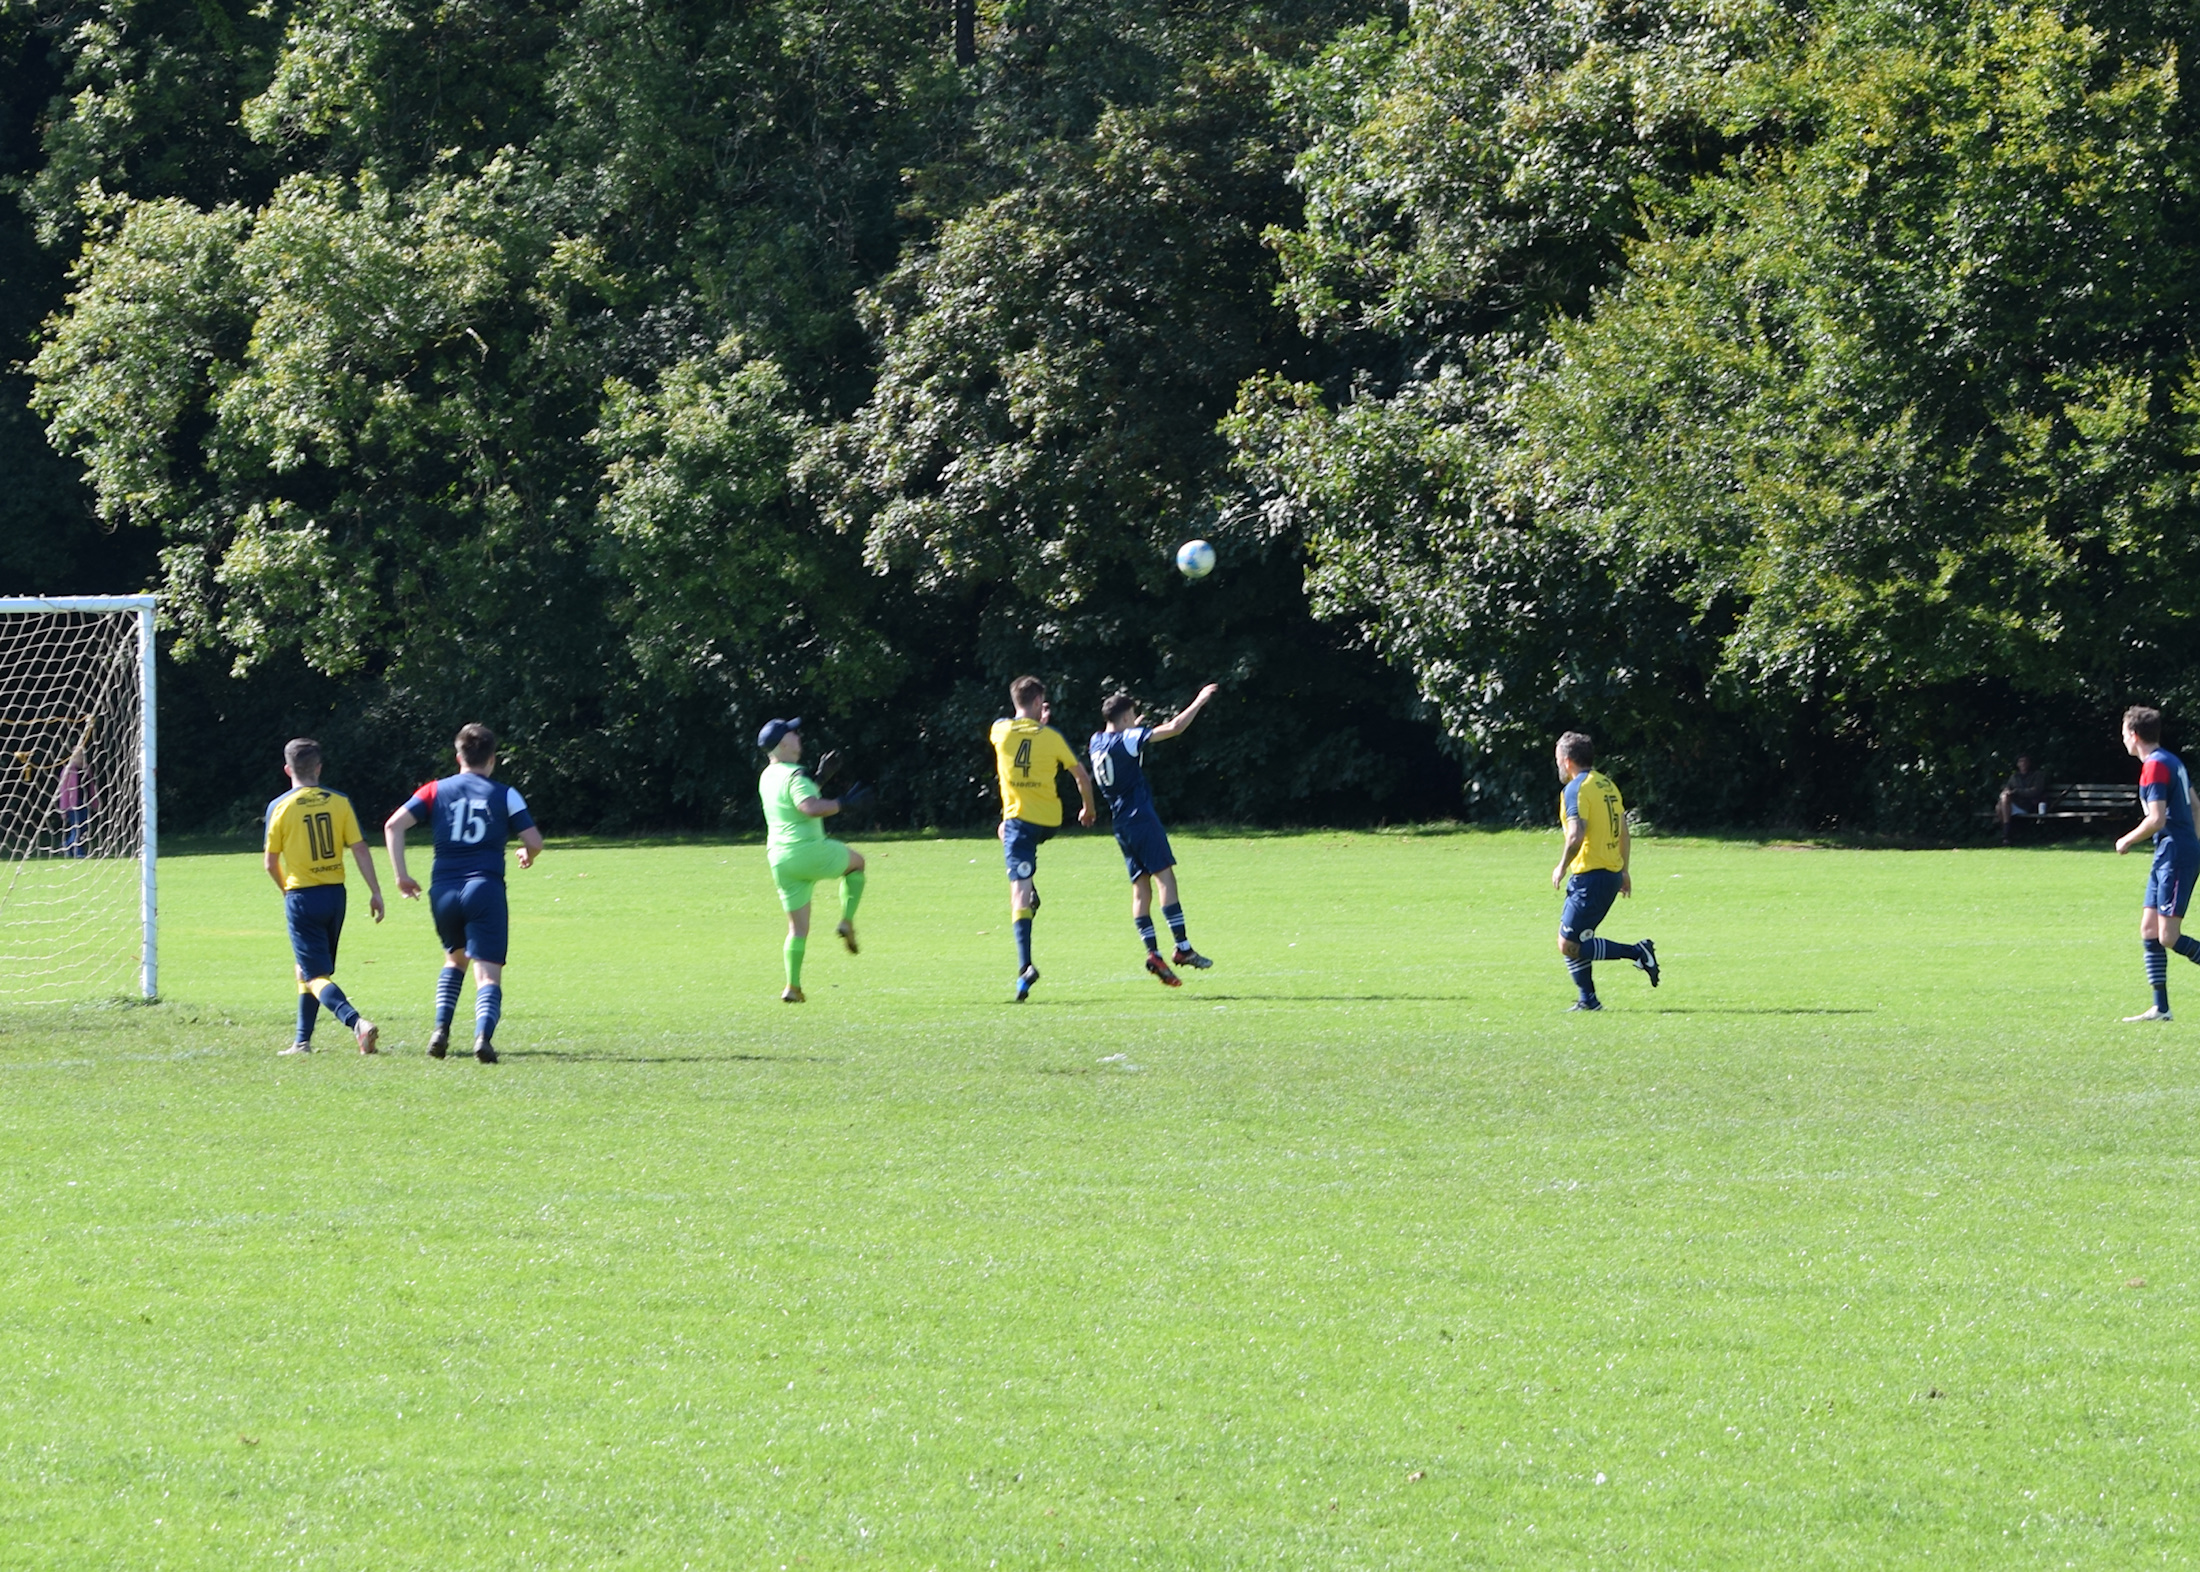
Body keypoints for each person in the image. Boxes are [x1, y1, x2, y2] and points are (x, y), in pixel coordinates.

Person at [384, 723, 544, 1062]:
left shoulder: (434, 790)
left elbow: (393, 825)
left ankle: (440, 1030)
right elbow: (534, 841)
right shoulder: (505, 794)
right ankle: (482, 1038)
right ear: (493, 759)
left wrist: (401, 876)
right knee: (487, 973)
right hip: (484, 888)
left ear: (459, 756)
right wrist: (525, 854)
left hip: (443, 889)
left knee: (454, 960)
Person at [1089, 683, 1220, 985]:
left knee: (1140, 890)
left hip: (1121, 823)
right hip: (1141, 818)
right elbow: (1174, 727)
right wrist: (1199, 700)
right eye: (1133, 716)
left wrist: (1131, 726)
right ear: (1124, 718)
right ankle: (1183, 949)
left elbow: (1120, 737)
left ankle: (1153, 953)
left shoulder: (1096, 741)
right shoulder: (1130, 738)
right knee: (1166, 880)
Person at [264, 738, 384, 1055]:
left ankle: (357, 1023)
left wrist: (286, 890)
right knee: (310, 969)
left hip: (302, 896)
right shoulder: (339, 801)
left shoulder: (279, 807)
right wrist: (375, 890)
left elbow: (270, 862)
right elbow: (359, 847)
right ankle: (302, 1041)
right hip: (335, 897)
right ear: (319, 767)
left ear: (288, 769)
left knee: (314, 974)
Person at [990, 676, 1096, 1002]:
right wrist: (1088, 811)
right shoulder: (1052, 738)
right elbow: (1081, 775)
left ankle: (1025, 967)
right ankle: (1029, 881)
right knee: (1003, 830)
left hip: (1022, 823)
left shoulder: (1000, 731)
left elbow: (1013, 727)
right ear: (1039, 703)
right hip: (1050, 821)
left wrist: (1032, 722)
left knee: (1017, 896)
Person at [756, 717, 868, 1003]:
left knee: (797, 929)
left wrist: (819, 778)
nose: (797, 735)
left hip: (780, 859)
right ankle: (846, 921)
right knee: (857, 864)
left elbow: (792, 799)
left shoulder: (768, 775)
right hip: (808, 850)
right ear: (783, 743)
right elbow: (807, 807)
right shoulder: (795, 775)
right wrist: (844, 803)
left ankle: (792, 987)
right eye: (792, 733)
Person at [1550, 731, 1659, 1010]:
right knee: (1575, 938)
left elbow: (1576, 834)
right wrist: (1624, 870)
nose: (1558, 766)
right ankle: (1589, 1001)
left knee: (1568, 944)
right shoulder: (1607, 785)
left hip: (1592, 876)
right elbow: (1624, 832)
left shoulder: (1575, 789)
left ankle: (1637, 951)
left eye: (1558, 760)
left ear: (1567, 760)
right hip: (1606, 874)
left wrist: (1561, 866)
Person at [2113, 706, 2200, 1021]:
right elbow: (2196, 806)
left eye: (2123, 733)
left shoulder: (2153, 767)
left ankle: (2162, 1007)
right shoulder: (2172, 761)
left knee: (2168, 936)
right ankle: (2161, 1007)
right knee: (2149, 929)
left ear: (2134, 736)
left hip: (2174, 854)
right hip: (2171, 851)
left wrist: (2127, 840)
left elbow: (2156, 818)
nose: (2122, 739)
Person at [1998, 755, 2049, 843]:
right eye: (2021, 761)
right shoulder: (2014, 777)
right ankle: (2006, 834)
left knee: (2001, 807)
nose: (2023, 764)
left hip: (2030, 804)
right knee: (2001, 803)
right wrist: (2006, 791)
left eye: (2025, 761)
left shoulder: (2037, 775)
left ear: (2029, 763)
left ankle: (2006, 833)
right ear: (2017, 764)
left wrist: (2017, 791)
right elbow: (2007, 787)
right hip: (2015, 804)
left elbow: (2036, 791)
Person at [56, 743, 90, 857]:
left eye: (82, 756)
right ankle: (78, 852)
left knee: (84, 827)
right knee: (76, 828)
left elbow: (91, 787)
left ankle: (67, 844)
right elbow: (64, 792)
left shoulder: (86, 770)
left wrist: (95, 802)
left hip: (84, 803)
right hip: (72, 805)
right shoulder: (68, 771)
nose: (81, 758)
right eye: (78, 756)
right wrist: (63, 809)